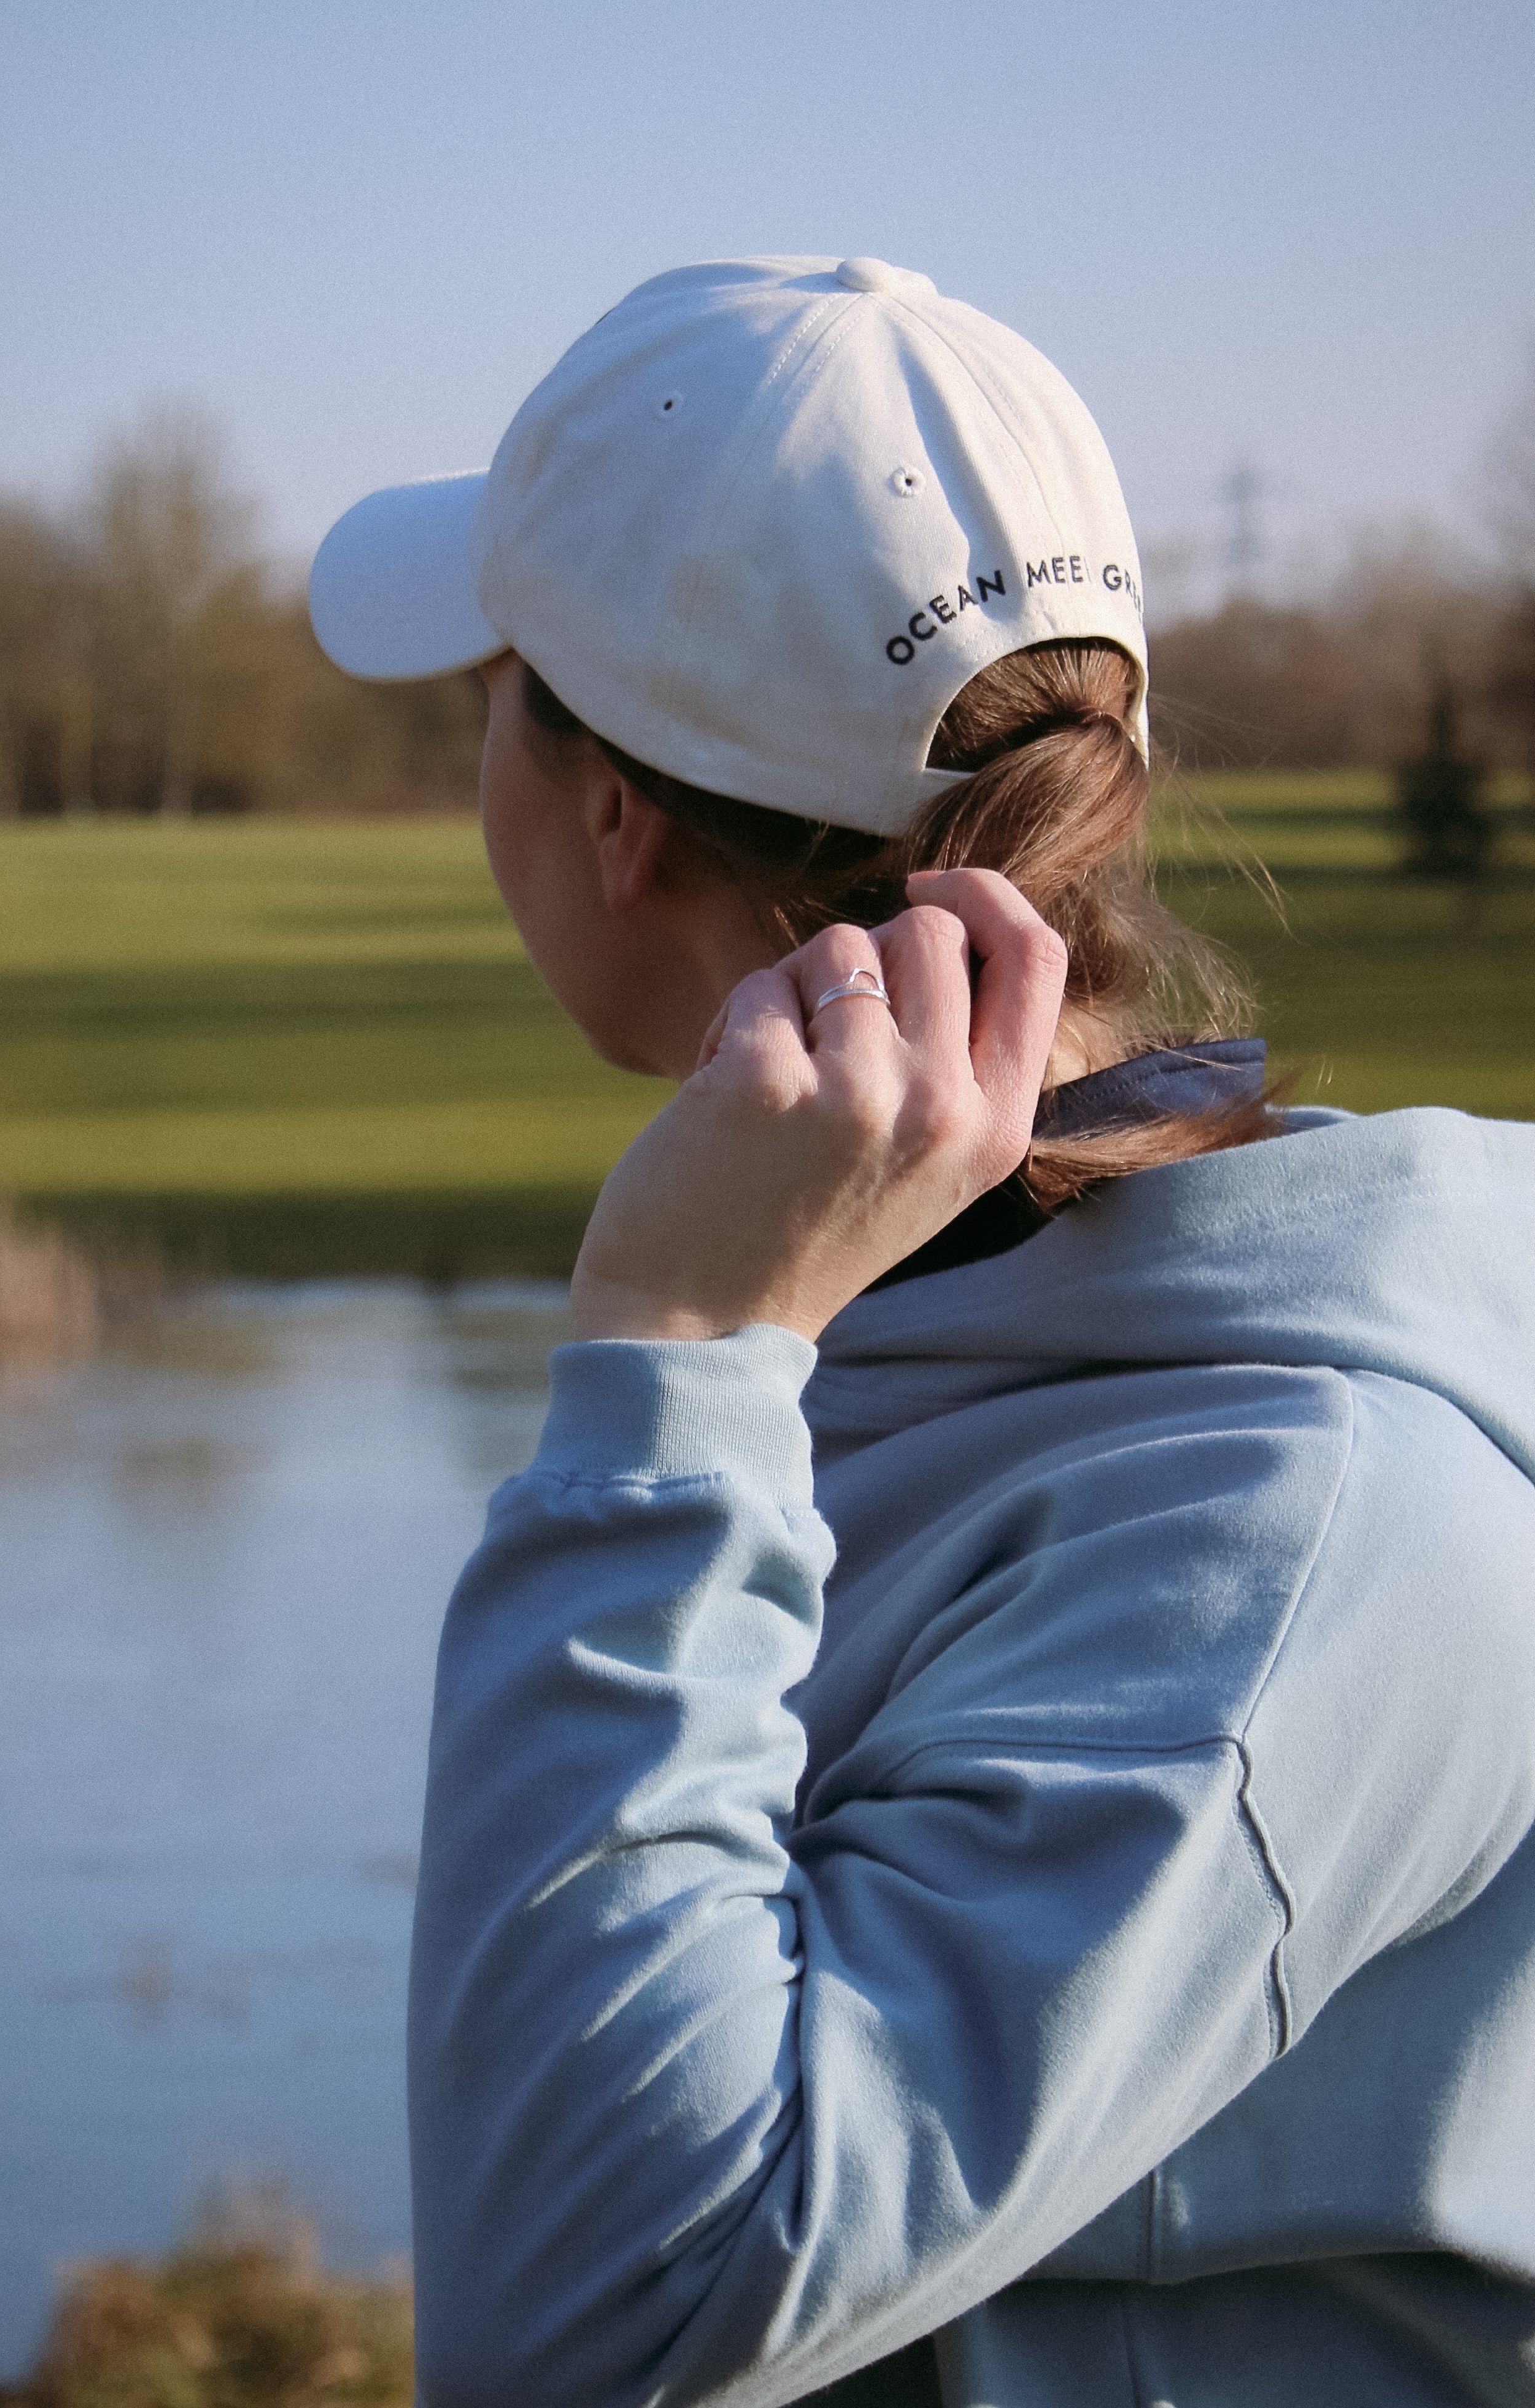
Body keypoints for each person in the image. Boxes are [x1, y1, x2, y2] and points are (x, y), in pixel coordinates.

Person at [310, 258, 1535, 2408]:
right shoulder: (917, 1329)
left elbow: (608, 2320)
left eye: (494, 691)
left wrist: (676, 1344)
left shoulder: (1303, 1521)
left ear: (612, 818)